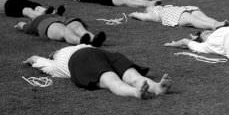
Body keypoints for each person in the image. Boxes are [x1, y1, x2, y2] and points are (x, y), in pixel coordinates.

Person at [24, 44, 172, 99]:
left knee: (132, 76)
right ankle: (136, 92)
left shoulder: (74, 47)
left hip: (102, 54)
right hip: (81, 59)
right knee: (112, 81)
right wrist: (33, 60)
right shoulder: (55, 64)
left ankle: (157, 87)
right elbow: (36, 60)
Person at [15, 14, 106, 47]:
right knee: (64, 31)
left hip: (63, 19)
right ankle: (80, 41)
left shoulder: (52, 13)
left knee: (77, 27)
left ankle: (94, 39)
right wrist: (20, 25)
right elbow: (23, 25)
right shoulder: (33, 23)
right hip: (46, 24)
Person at [129, 4, 228, 29]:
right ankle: (214, 25)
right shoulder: (152, 14)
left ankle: (217, 24)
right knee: (193, 19)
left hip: (184, 9)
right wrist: (133, 14)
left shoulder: (160, 8)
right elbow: (143, 17)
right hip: (176, 15)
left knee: (200, 17)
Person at [0, 0, 64, 19]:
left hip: (17, 1)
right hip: (10, 6)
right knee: (27, 10)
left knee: (35, 6)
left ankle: (51, 13)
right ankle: (45, 15)